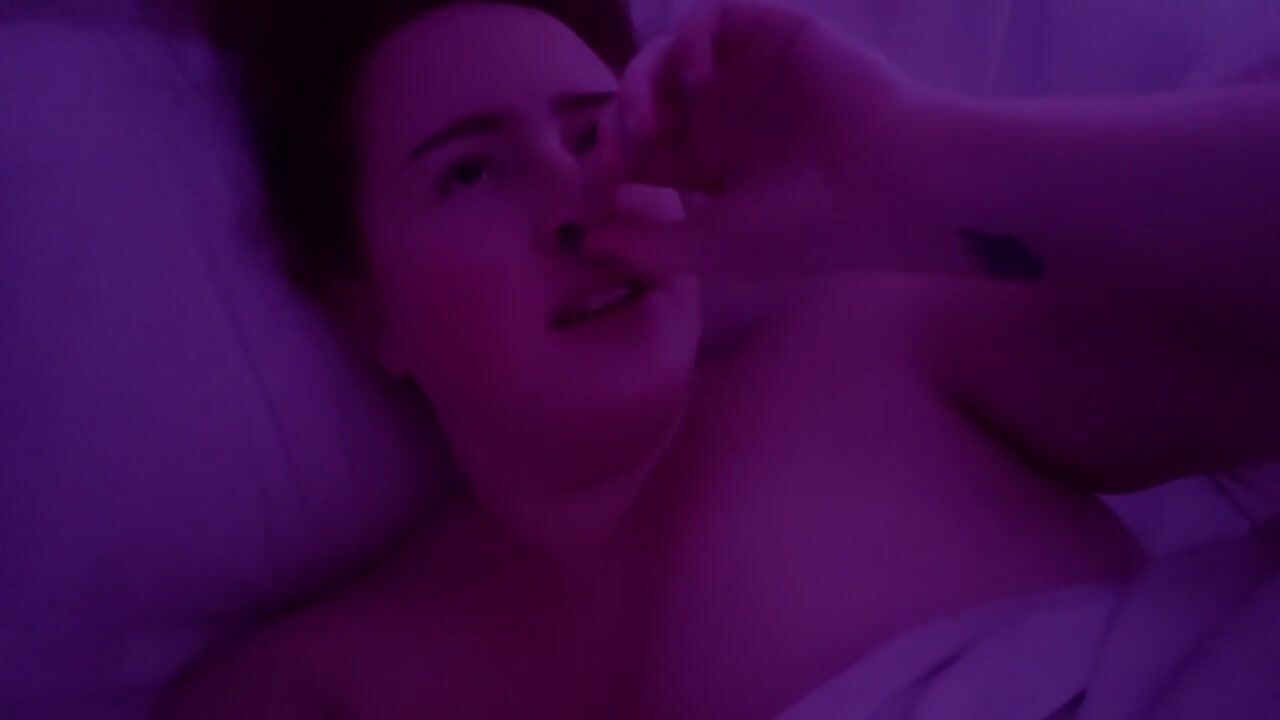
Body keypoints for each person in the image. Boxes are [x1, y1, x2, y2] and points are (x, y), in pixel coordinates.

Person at [164, 0, 1280, 717]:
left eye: (596, 130)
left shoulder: (886, 354)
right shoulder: (313, 687)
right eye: (470, 171)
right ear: (368, 311)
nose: (577, 199)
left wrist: (915, 164)